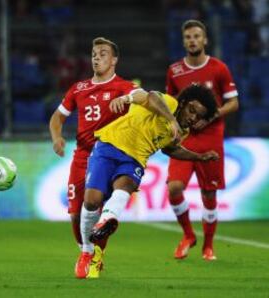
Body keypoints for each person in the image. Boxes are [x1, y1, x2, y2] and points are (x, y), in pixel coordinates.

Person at [77, 84, 219, 278]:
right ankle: (86, 251)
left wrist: (199, 157)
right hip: (109, 146)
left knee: (127, 184)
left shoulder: (181, 132)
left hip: (134, 160)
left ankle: (107, 219)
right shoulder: (169, 103)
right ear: (184, 103)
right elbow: (150, 96)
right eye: (192, 110)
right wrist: (171, 120)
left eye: (199, 116)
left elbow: (170, 149)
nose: (193, 118)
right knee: (91, 201)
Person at [49, 37, 140, 278]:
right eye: (93, 54)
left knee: (101, 213)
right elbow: (57, 117)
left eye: (102, 53)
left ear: (114, 60)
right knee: (76, 213)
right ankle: (85, 250)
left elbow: (144, 98)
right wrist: (57, 137)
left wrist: (131, 99)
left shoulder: (124, 87)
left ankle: (94, 255)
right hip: (83, 156)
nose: (96, 58)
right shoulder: (79, 89)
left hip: (112, 156)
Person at [165, 19, 239, 261]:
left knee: (209, 194)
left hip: (211, 138)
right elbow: (170, 104)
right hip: (184, 139)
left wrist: (210, 118)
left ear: (205, 40)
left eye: (197, 36)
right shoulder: (175, 71)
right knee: (174, 188)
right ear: (184, 41)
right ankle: (188, 235)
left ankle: (208, 246)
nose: (192, 40)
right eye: (188, 37)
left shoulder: (219, 68)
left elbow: (233, 103)